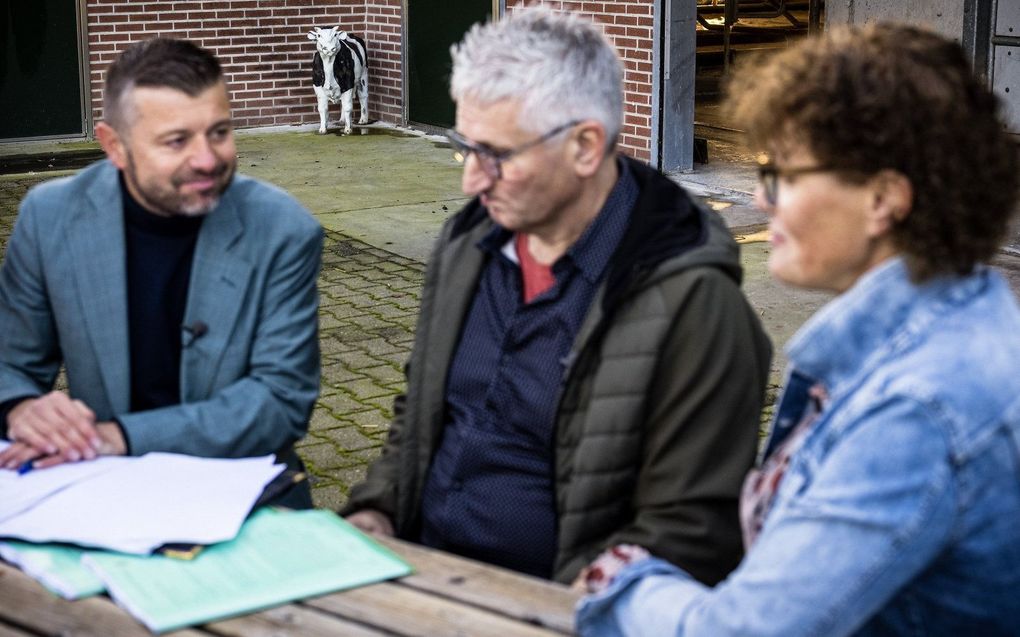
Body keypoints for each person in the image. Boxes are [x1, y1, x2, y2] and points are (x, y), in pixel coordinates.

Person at [576, 23, 1020, 636]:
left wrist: (617, 579)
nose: (761, 200)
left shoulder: (916, 408)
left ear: (883, 198)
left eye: (782, 175)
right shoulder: (955, 328)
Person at [342, 8, 772, 585]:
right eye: (464, 146)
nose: (471, 180)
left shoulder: (694, 305)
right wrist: (377, 508)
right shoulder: (467, 243)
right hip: (419, 574)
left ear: (585, 146)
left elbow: (691, 532)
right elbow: (418, 415)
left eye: (496, 155)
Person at [0, 38, 322, 506]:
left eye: (220, 131)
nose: (208, 159)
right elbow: (10, 361)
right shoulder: (51, 217)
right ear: (115, 146)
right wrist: (21, 408)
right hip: (101, 488)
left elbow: (279, 403)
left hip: (245, 495)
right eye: (177, 140)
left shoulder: (283, 230)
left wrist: (118, 437)